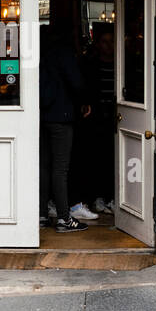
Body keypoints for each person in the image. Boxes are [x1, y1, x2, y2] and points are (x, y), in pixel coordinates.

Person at [39, 21, 91, 233]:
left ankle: (41, 215)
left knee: (43, 166)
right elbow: (76, 82)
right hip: (61, 115)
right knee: (61, 168)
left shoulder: (41, 51)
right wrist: (84, 101)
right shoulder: (64, 52)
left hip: (41, 114)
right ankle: (63, 218)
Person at [72, 25, 116, 217]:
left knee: (111, 160)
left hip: (115, 120)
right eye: (105, 41)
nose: (109, 46)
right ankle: (96, 198)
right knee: (95, 160)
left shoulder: (121, 66)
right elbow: (85, 91)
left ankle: (109, 197)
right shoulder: (91, 66)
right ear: (98, 44)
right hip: (95, 120)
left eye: (112, 41)